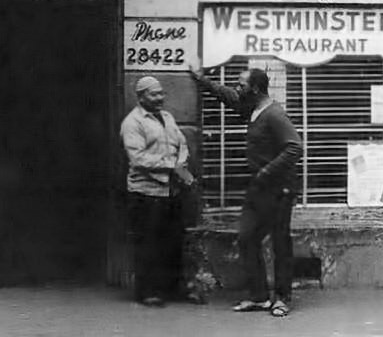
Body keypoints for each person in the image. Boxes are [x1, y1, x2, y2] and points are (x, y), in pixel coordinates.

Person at [189, 60, 302, 317]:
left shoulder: (274, 114)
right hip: (259, 188)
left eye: (241, 85)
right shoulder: (251, 107)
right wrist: (202, 81)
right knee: (247, 238)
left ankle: (282, 298)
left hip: (279, 189)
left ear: (255, 89)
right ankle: (260, 297)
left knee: (280, 243)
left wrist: (266, 171)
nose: (236, 89)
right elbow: (228, 97)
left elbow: (295, 147)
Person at [120, 75, 195, 307]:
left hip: (170, 191)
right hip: (146, 192)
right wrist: (172, 166)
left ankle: (173, 289)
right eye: (154, 94)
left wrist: (180, 163)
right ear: (141, 97)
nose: (160, 97)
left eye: (161, 93)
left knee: (173, 241)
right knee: (148, 243)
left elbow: (181, 143)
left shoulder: (168, 117)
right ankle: (147, 292)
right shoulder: (132, 123)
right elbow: (138, 158)